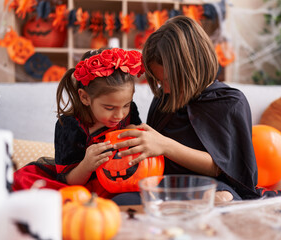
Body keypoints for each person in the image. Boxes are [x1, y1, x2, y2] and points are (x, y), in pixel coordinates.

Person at [112, 16, 263, 201]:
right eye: (159, 82)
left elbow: (223, 166)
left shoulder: (230, 102)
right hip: (165, 185)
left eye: (169, 81)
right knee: (120, 201)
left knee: (220, 197)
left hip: (211, 185)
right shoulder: (163, 98)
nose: (165, 89)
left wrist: (165, 145)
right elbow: (152, 159)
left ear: (192, 67)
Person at [13, 48, 144, 202]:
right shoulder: (69, 126)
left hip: (119, 181)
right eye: (109, 108)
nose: (120, 115)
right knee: (27, 186)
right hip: (77, 185)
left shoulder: (129, 112)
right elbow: (67, 180)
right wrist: (87, 165)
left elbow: (138, 139)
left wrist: (135, 134)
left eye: (126, 105)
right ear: (84, 97)